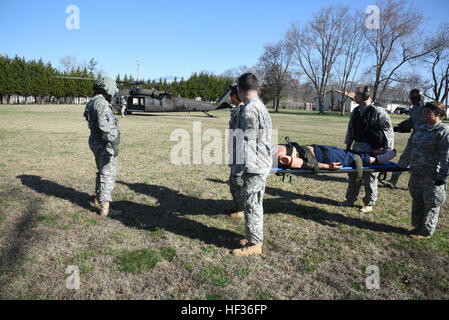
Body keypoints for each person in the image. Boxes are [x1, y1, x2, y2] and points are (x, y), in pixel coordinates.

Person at [231, 73, 272, 256]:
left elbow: (245, 142)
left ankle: (255, 244)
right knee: (252, 202)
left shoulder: (249, 110)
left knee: (252, 203)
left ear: (240, 91)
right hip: (259, 162)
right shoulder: (258, 106)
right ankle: (253, 237)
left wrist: (239, 168)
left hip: (254, 164)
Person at [397, 102, 449, 240]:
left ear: (438, 114)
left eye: (428, 112)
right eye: (423, 112)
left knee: (431, 203)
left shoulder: (444, 131)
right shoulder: (420, 128)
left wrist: (443, 176)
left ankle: (426, 231)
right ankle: (417, 226)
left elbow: (447, 156)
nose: (424, 115)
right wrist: (401, 165)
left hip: (432, 176)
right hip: (416, 172)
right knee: (417, 200)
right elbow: (410, 147)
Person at [341, 85, 394, 213]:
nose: (354, 96)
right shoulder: (356, 111)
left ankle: (369, 203)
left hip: (373, 150)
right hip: (357, 148)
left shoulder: (378, 112)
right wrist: (348, 145)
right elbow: (350, 129)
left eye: (357, 94)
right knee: (354, 175)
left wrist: (388, 151)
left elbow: (388, 131)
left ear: (366, 96)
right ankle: (350, 199)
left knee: (370, 177)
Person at [83, 77, 122, 217]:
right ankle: (105, 208)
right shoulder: (102, 104)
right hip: (104, 144)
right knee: (107, 174)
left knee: (101, 172)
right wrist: (115, 137)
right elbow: (104, 126)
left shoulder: (92, 102)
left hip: (94, 141)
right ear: (108, 89)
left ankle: (98, 200)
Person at [381, 89, 426, 189]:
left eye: (415, 97)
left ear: (420, 97)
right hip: (414, 139)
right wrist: (399, 127)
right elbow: (412, 121)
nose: (412, 99)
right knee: (403, 159)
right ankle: (393, 181)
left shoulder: (427, 108)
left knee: (423, 164)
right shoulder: (414, 108)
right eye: (411, 97)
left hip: (426, 140)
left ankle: (424, 186)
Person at [274, 143, 396, 170]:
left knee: (347, 153)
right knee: (351, 158)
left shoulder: (268, 149)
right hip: (322, 157)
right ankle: (377, 159)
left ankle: (373, 153)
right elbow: (300, 164)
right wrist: (327, 166)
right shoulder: (279, 158)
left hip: (317, 148)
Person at [227, 85, 245, 219]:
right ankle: (238, 205)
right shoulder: (238, 110)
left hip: (241, 154)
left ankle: (242, 208)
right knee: (233, 181)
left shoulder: (243, 111)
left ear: (234, 97)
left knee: (237, 181)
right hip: (235, 152)